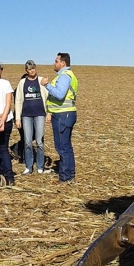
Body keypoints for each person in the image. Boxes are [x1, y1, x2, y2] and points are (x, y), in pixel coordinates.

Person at [42, 52, 78, 183]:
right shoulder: (68, 75)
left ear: (63, 63)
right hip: (65, 114)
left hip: (63, 115)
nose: (54, 63)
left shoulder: (64, 76)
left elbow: (59, 94)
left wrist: (47, 85)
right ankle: (69, 175)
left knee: (62, 147)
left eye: (56, 61)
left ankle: (65, 177)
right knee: (66, 146)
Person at [15, 60, 50, 175]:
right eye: (30, 69)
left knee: (39, 141)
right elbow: (18, 100)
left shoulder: (41, 81)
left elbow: (48, 98)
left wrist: (48, 113)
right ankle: (29, 166)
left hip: (40, 114)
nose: (32, 71)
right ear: (26, 71)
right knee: (27, 141)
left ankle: (40, 166)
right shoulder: (22, 83)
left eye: (33, 68)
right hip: (26, 115)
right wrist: (18, 118)